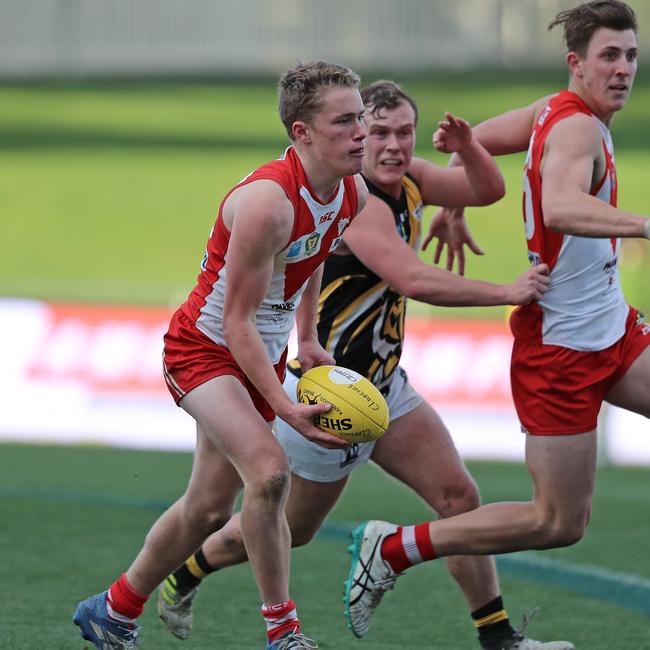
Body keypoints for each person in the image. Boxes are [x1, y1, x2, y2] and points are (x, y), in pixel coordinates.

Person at [156, 81, 572, 650]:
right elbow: (414, 278)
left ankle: (499, 639)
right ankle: (186, 572)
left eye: (404, 132)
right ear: (354, 136)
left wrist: (467, 146)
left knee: (459, 498)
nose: (392, 146)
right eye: (377, 132)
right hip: (335, 396)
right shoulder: (357, 201)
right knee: (293, 529)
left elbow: (485, 188)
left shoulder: (410, 181)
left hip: (386, 387)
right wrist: (508, 290)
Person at [345, 0, 650, 643]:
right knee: (557, 522)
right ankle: (395, 548)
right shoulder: (575, 129)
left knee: (559, 519)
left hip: (613, 332)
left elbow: (473, 138)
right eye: (609, 57)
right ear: (577, 64)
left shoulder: (553, 112)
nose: (623, 69)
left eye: (630, 54)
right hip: (561, 349)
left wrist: (454, 201)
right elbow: (563, 206)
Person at [72, 60, 370, 650]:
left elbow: (309, 264)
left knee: (208, 508)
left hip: (262, 352)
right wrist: (284, 405)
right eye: (344, 121)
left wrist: (306, 338)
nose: (361, 132)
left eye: (361, 117)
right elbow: (235, 323)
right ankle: (283, 633)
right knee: (269, 471)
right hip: (203, 351)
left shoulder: (350, 190)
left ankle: (112, 609)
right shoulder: (267, 202)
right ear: (301, 133)